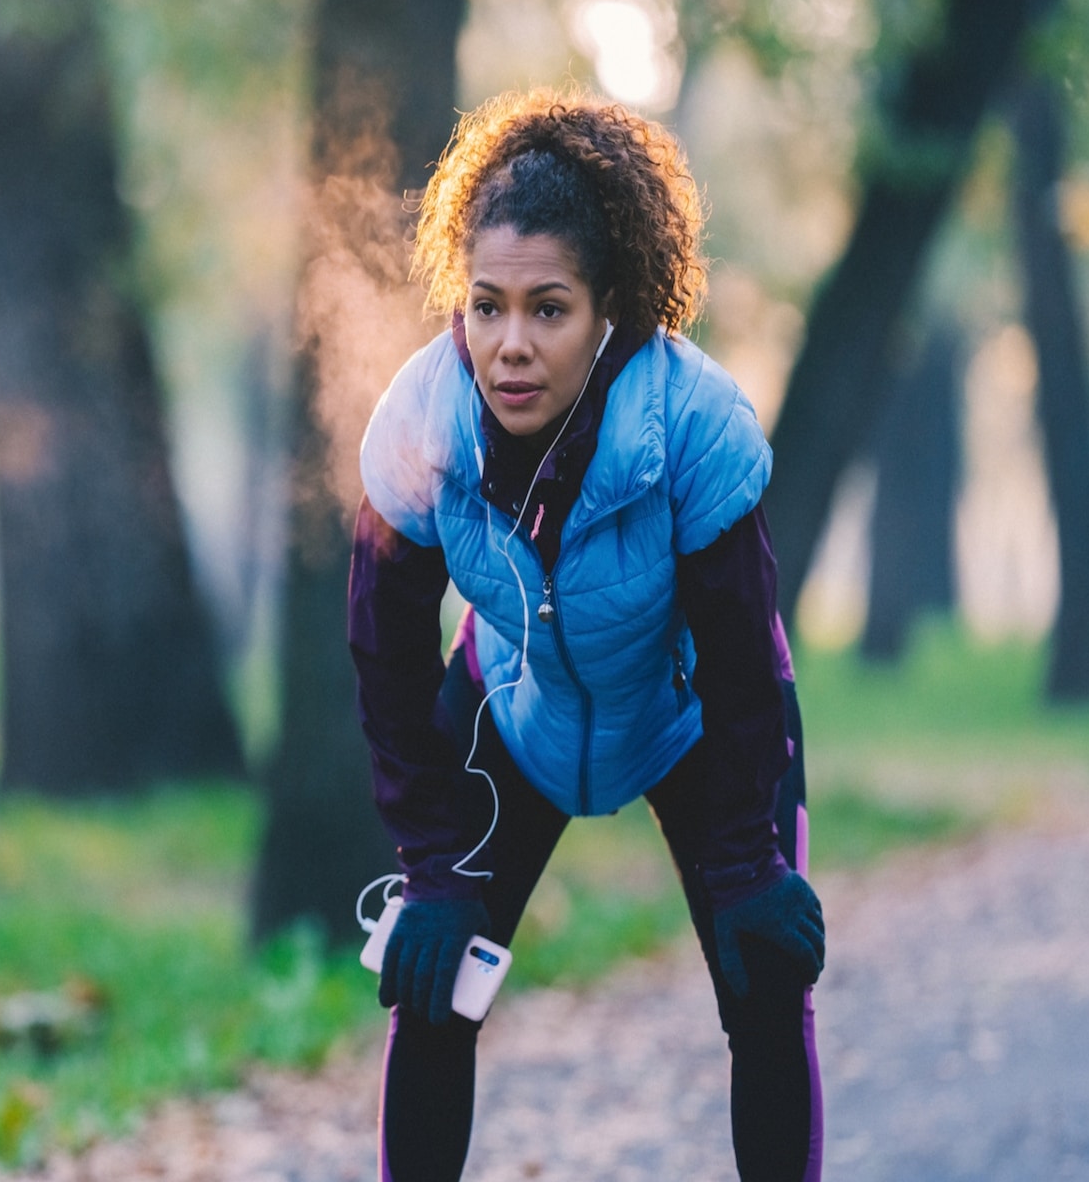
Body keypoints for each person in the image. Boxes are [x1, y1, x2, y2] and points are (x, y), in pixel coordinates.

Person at [349, 88, 825, 1181]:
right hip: (513, 713)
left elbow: (749, 665)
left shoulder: (695, 426)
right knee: (432, 991)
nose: (509, 346)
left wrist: (752, 863)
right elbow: (383, 658)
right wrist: (430, 864)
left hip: (691, 717)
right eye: (486, 306)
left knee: (763, 981)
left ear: (611, 308)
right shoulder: (420, 426)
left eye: (548, 309)